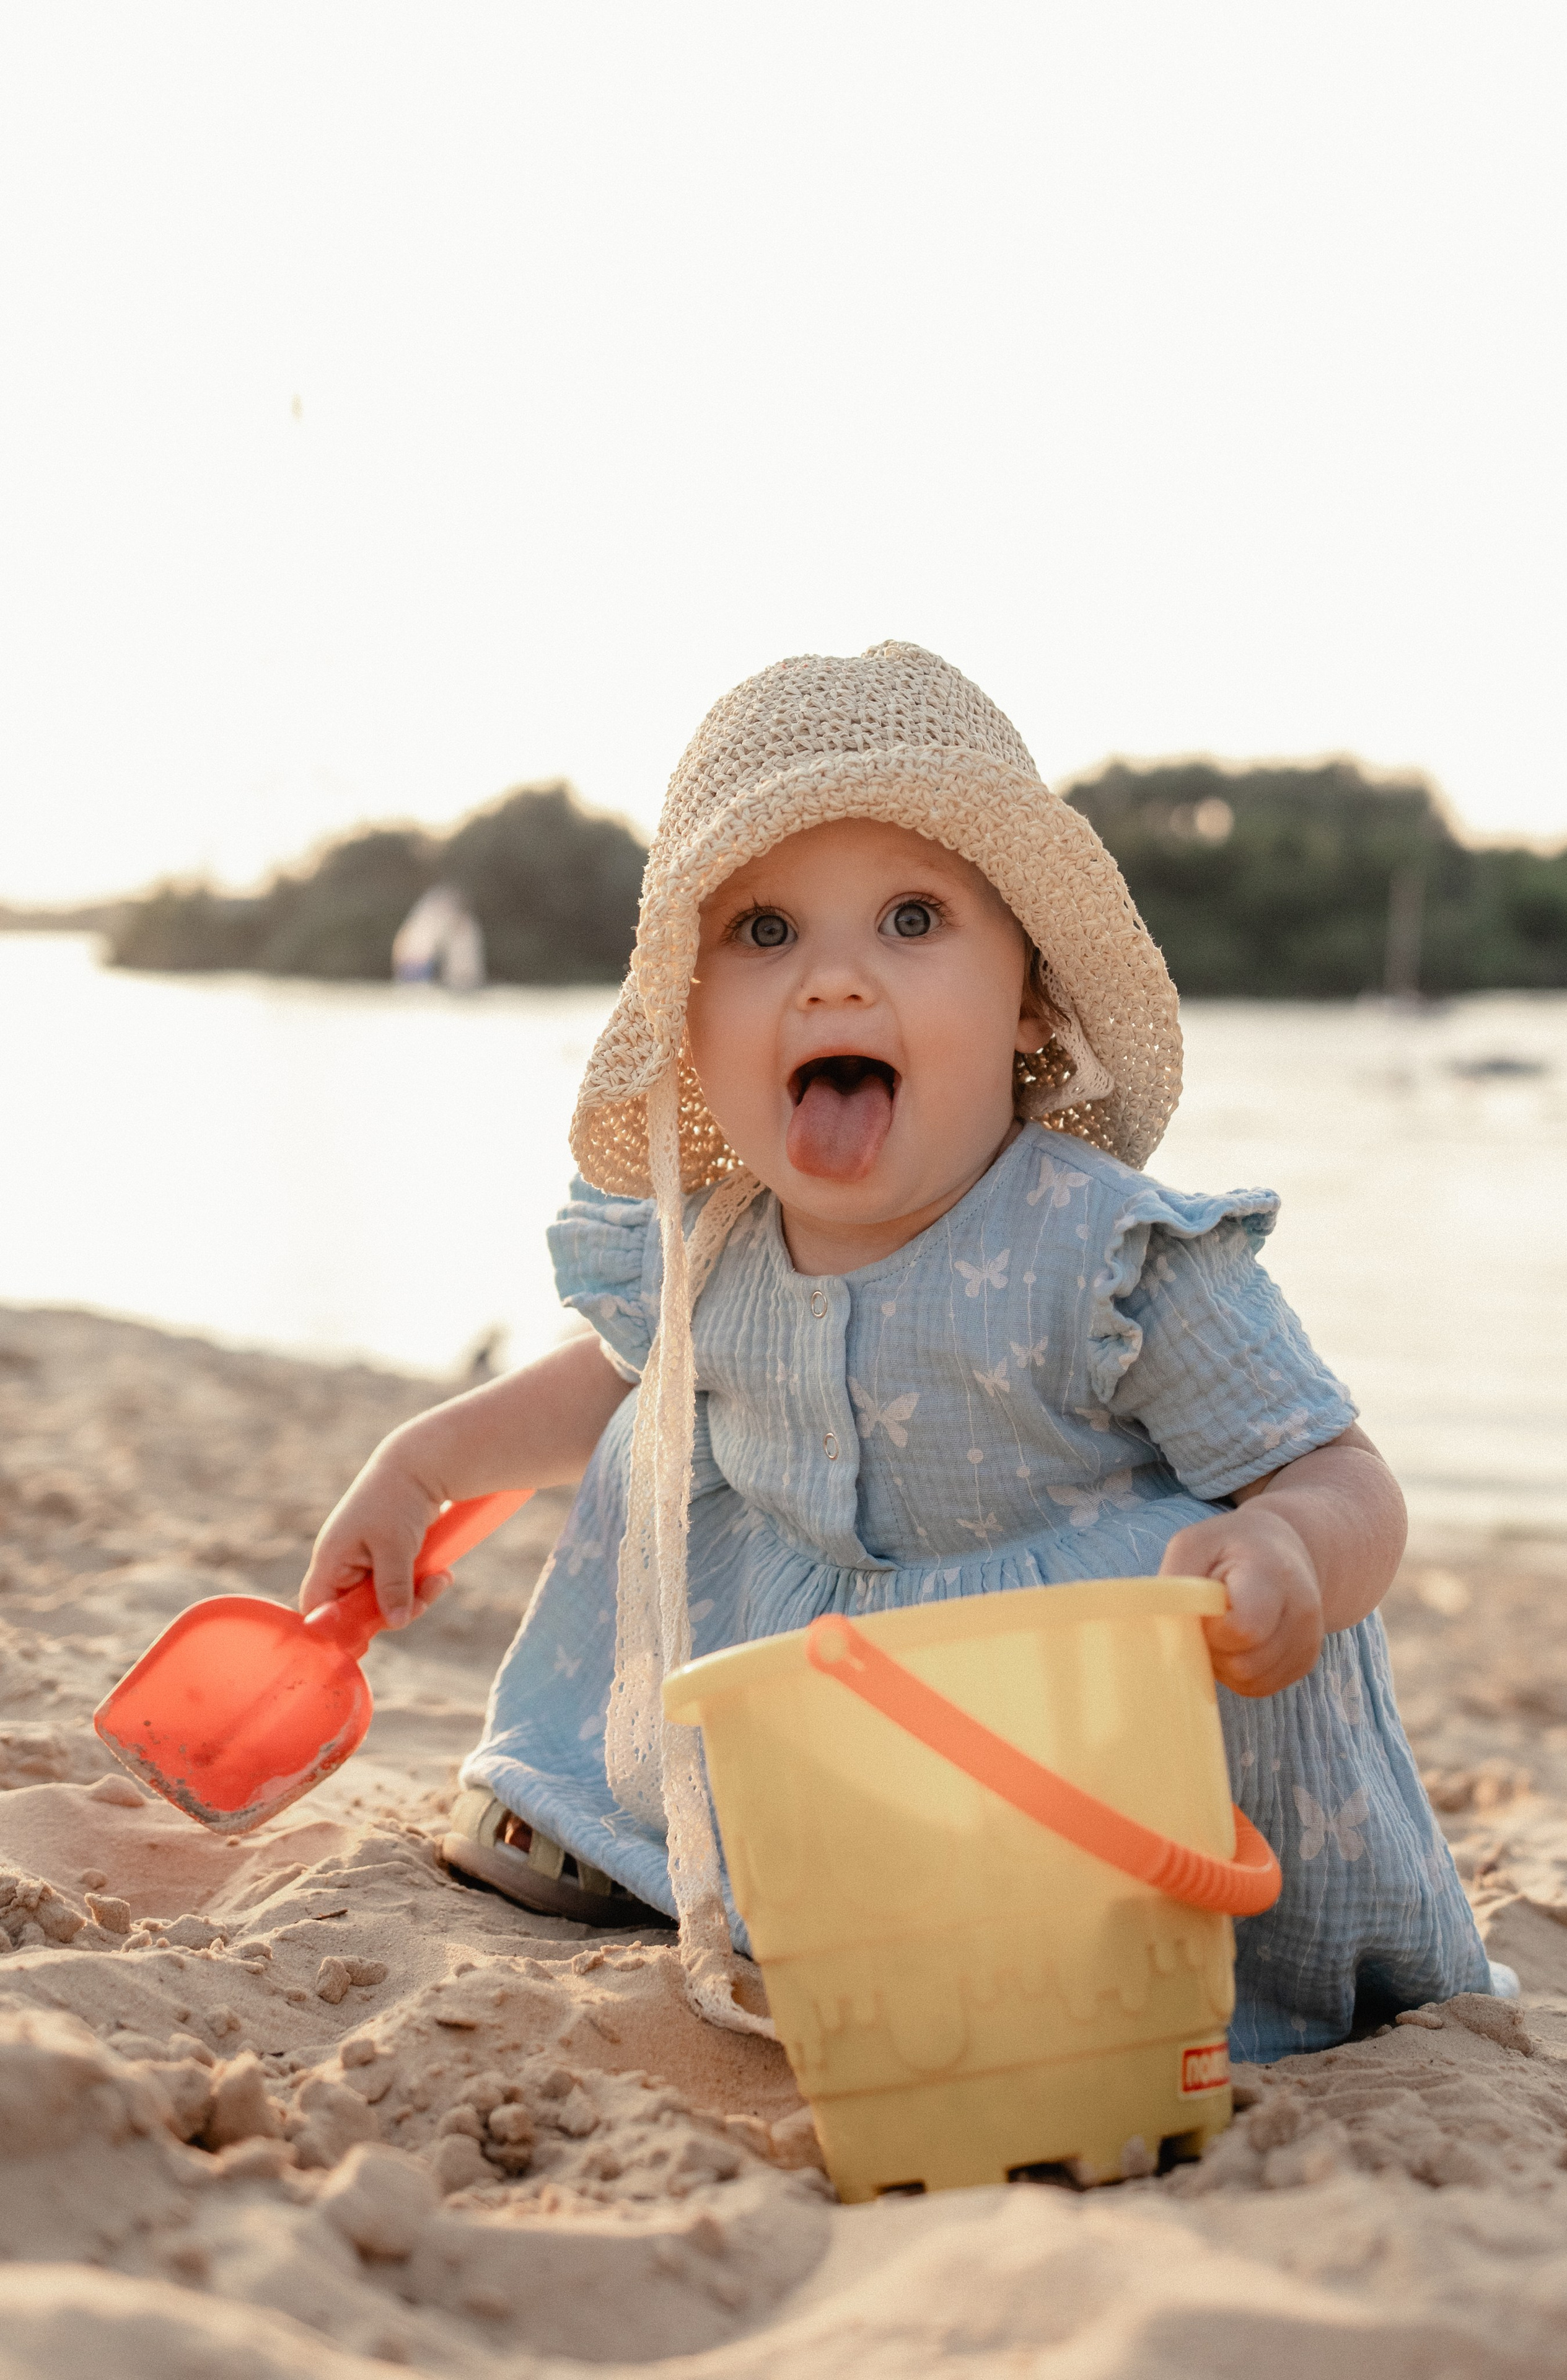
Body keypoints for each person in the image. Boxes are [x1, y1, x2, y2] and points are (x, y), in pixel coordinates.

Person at [301, 642, 1499, 2062]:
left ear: (1031, 1004)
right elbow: (620, 1374)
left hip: (1093, 1733)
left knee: (1085, 1942)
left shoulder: (1104, 1252)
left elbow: (1335, 1469)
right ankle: (615, 1820)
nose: (831, 983)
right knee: (664, 1419)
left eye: (911, 919)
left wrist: (1294, 1553)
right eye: (763, 936)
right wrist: (422, 1460)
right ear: (689, 1022)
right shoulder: (722, 1242)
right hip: (839, 1717)